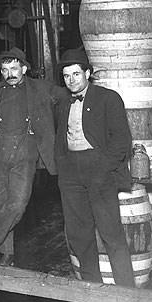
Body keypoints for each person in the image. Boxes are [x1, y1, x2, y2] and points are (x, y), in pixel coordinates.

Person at [0, 47, 68, 266]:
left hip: (25, 154)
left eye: (13, 69)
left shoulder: (41, 88)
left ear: (24, 68)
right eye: (4, 70)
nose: (9, 74)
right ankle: (7, 253)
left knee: (18, 204)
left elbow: (67, 96)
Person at [54, 47, 136, 289]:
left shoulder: (108, 98)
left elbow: (122, 140)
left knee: (111, 235)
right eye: (67, 76)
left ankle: (127, 297)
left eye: (76, 74)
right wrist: (62, 167)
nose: (71, 80)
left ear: (87, 73)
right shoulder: (62, 102)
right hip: (71, 173)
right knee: (80, 236)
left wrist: (103, 167)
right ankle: (93, 294)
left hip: (99, 171)